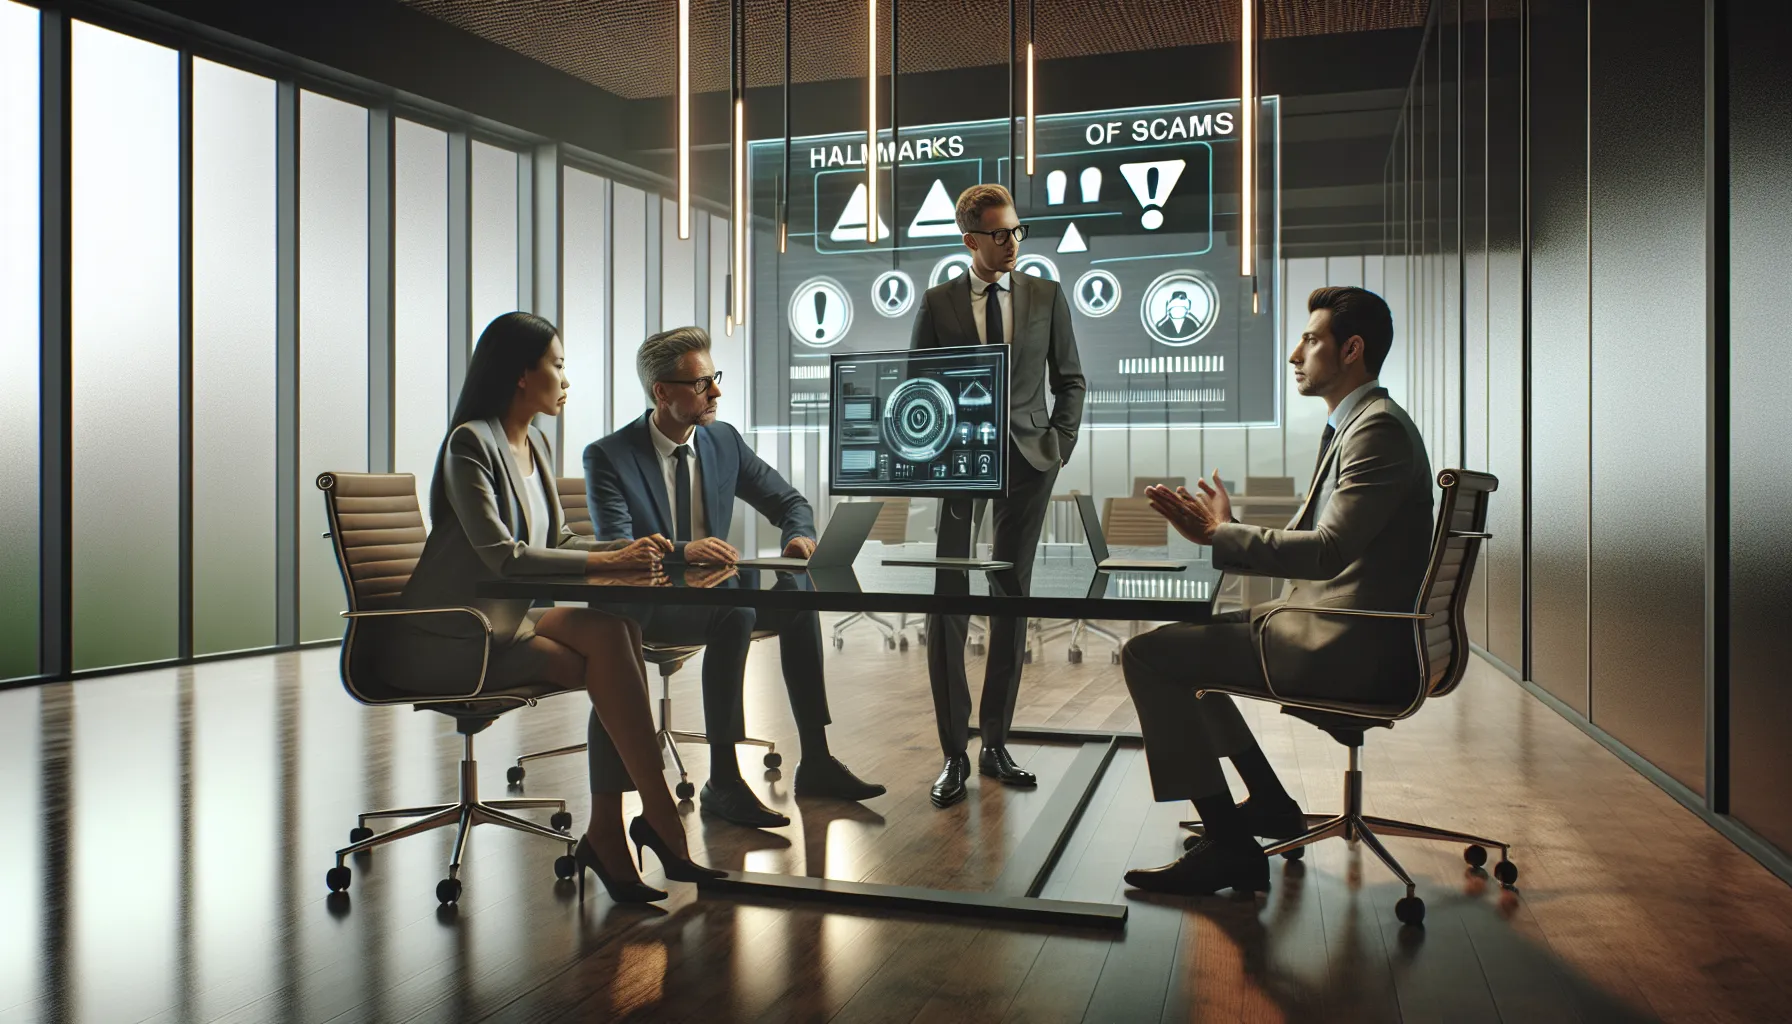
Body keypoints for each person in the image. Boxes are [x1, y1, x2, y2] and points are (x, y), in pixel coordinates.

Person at [388, 311, 718, 904]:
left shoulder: (534, 444)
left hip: (507, 619)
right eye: (558, 365)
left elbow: (559, 542)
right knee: (612, 662)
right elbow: (504, 559)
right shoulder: (471, 444)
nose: (567, 380)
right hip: (452, 634)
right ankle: (652, 824)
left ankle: (624, 830)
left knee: (614, 630)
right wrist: (608, 566)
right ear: (521, 374)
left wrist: (626, 548)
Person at [1119, 286, 1434, 897]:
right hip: (1346, 626)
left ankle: (1231, 847)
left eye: (1311, 340)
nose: (1295, 353)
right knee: (1188, 650)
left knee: (1149, 656)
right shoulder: (1360, 426)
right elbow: (1323, 539)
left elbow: (1326, 553)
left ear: (1353, 350)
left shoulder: (1376, 432)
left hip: (1351, 644)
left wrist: (1220, 533)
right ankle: (1268, 803)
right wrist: (1227, 526)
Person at [582, 326, 885, 830]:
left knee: (795, 594)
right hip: (649, 603)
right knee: (736, 609)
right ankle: (722, 779)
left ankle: (816, 759)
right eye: (702, 384)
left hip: (713, 594)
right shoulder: (609, 456)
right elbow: (620, 547)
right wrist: (683, 551)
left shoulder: (722, 441)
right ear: (662, 391)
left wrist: (800, 536)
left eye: (714, 379)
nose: (716, 392)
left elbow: (790, 501)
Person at [909, 183, 1086, 808]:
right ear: (970, 240)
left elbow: (1071, 378)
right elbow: (916, 385)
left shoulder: (1045, 294)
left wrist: (1058, 445)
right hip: (959, 461)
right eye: (999, 233)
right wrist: (931, 452)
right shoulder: (938, 302)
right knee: (948, 599)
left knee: (1011, 593)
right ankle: (954, 752)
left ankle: (996, 743)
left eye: (1017, 231)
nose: (1011, 243)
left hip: (1029, 461)